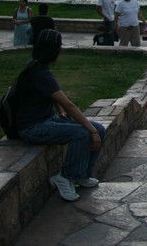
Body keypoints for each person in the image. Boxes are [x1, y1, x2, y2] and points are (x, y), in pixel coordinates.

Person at [15, 30, 106, 201]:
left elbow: (54, 96)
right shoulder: (39, 73)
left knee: (100, 129)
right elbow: (69, 104)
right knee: (83, 133)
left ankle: (82, 175)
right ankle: (66, 176)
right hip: (33, 127)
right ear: (54, 51)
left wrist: (61, 111)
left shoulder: (38, 66)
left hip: (47, 119)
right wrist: (90, 130)